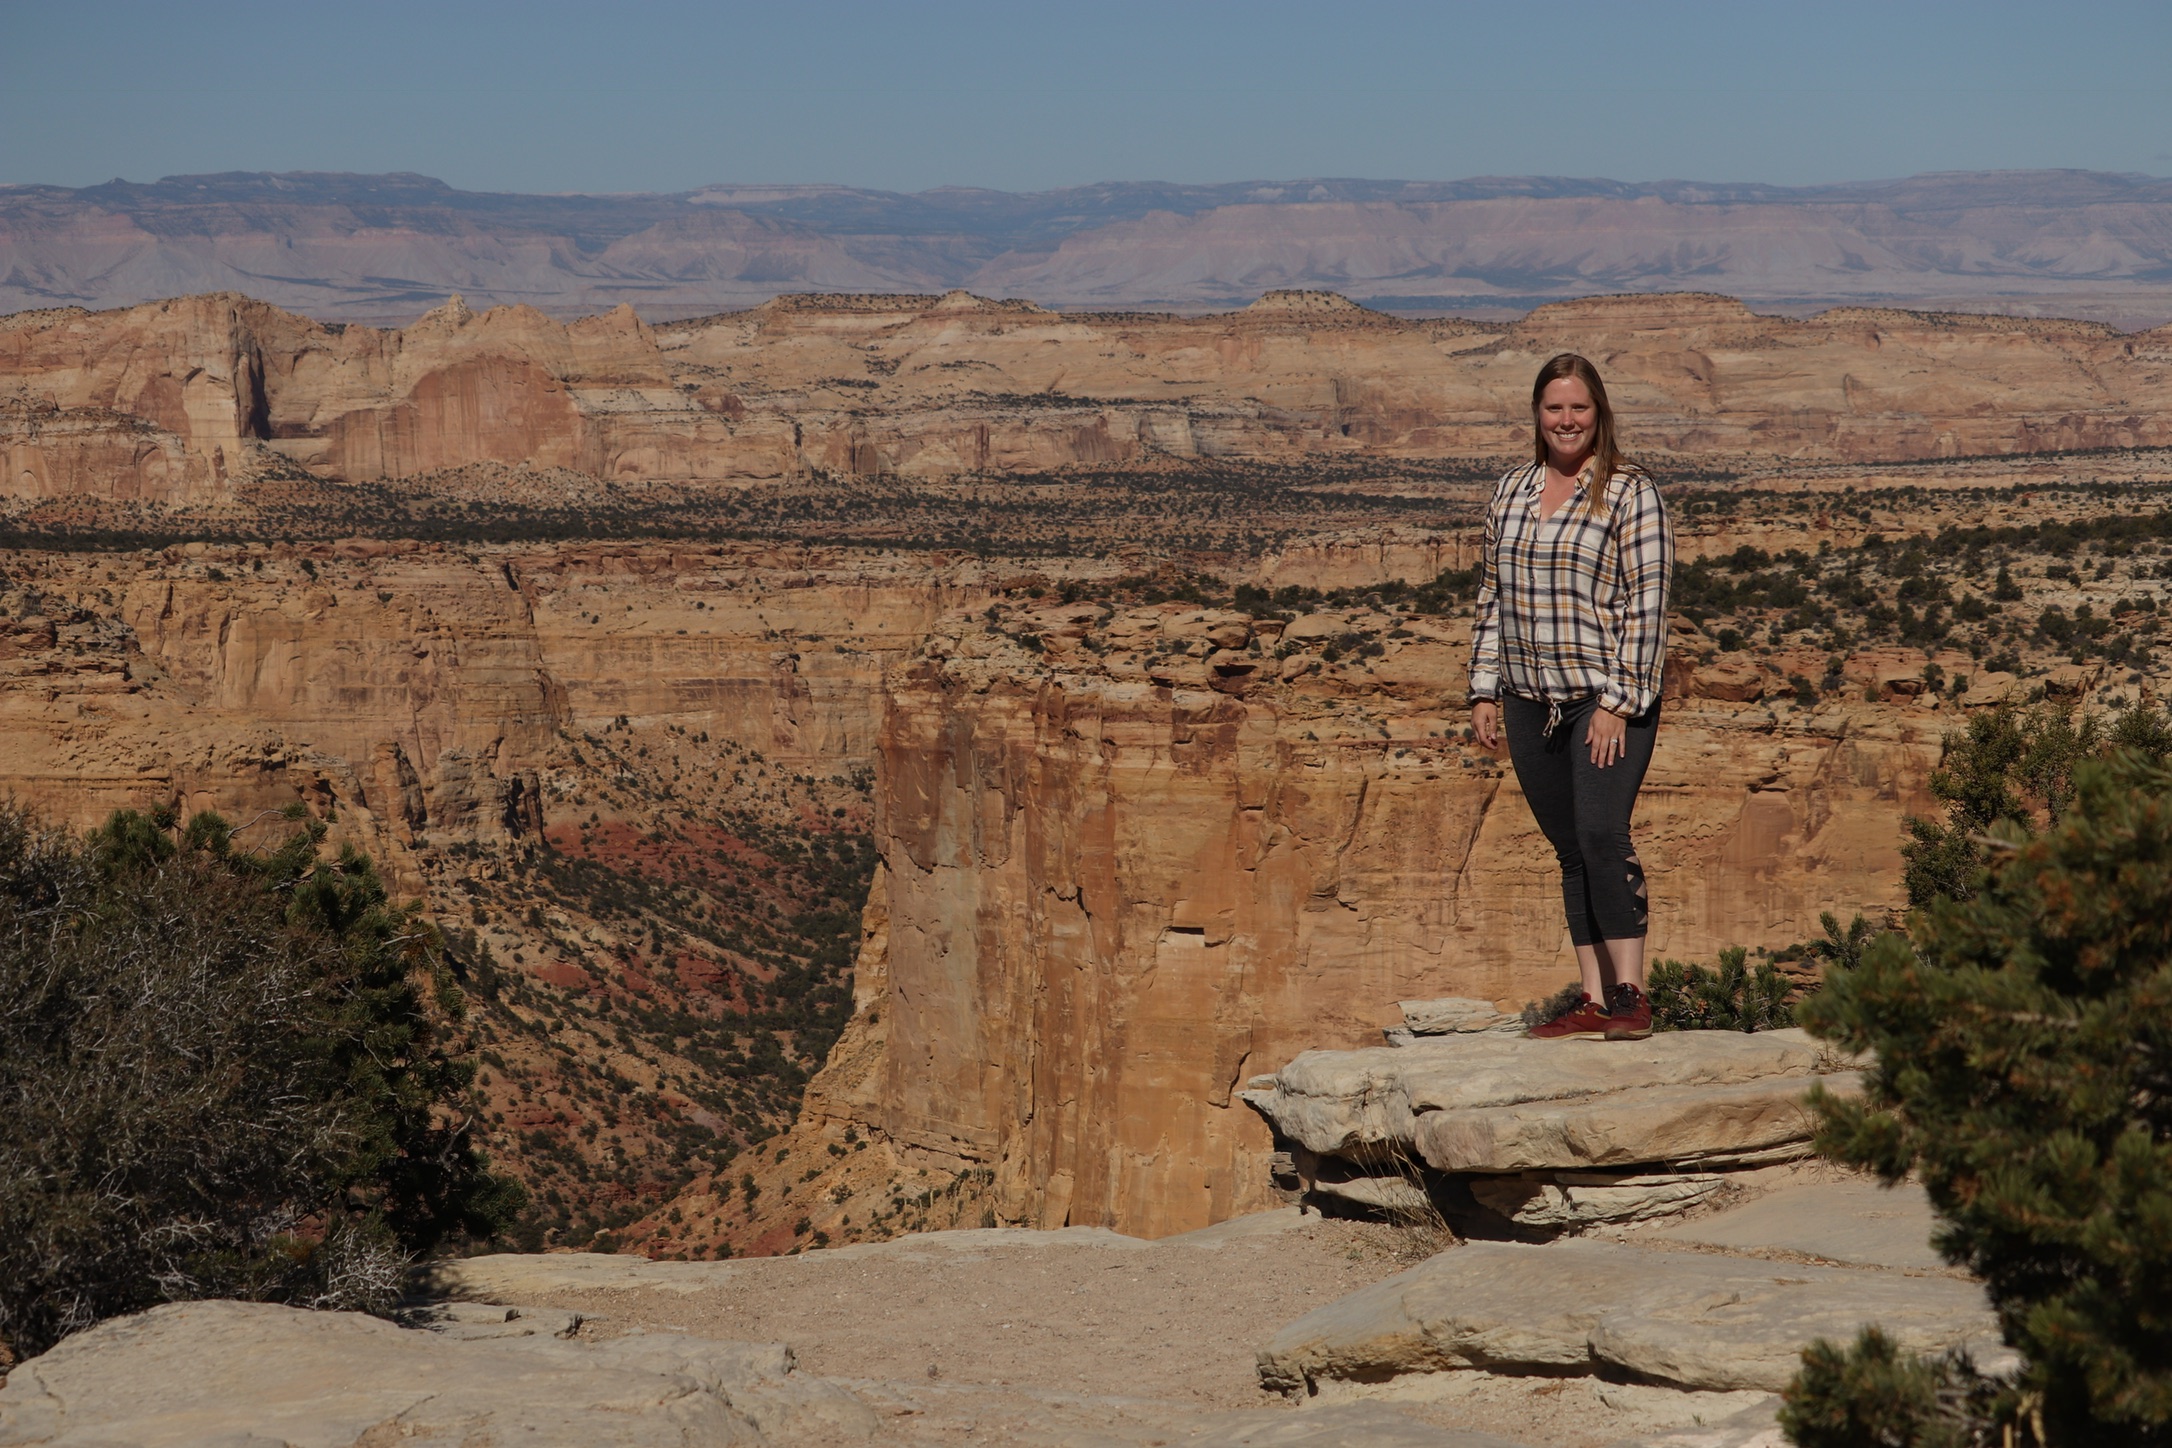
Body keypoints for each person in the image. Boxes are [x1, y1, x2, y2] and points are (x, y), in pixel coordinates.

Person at [1468, 353, 1673, 1041]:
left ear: (1599, 413)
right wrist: (1484, 690)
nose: (1566, 420)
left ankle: (1630, 995)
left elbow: (1648, 605)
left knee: (1601, 834)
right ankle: (1591, 999)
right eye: (1554, 407)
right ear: (1537, 413)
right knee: (1569, 848)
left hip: (1603, 699)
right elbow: (1493, 598)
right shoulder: (1511, 492)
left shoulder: (1630, 493)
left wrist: (1619, 703)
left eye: (1578, 407)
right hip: (1529, 699)